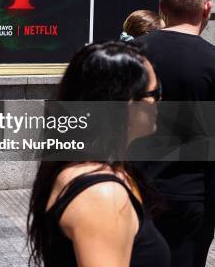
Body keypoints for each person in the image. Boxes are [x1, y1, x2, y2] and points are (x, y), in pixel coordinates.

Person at [27, 41, 170, 267]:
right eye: (155, 92)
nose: (161, 101)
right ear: (124, 102)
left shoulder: (95, 169)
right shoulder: (102, 194)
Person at [134, 0, 215, 267]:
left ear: (162, 7)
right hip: (191, 199)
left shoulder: (127, 54)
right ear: (207, 7)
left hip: (131, 192)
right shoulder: (211, 62)